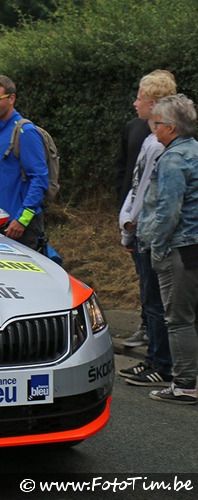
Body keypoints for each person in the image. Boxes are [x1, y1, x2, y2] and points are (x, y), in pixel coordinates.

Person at [137, 94, 198, 405]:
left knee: (178, 319)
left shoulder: (173, 160)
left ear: (171, 127)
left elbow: (168, 211)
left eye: (157, 124)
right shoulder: (194, 150)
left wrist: (157, 249)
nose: (154, 129)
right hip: (193, 245)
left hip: (178, 248)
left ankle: (185, 384)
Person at [117, 72, 175, 385]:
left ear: (152, 103)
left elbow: (143, 192)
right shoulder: (151, 139)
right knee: (151, 298)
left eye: (139, 97)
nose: (134, 103)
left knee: (154, 300)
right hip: (142, 228)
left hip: (146, 230)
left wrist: (129, 226)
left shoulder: (157, 146)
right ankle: (155, 359)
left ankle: (160, 363)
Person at [0, 75, 47, 249]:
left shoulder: (25, 131)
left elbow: (40, 179)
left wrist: (22, 220)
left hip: (21, 227)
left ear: (12, 98)